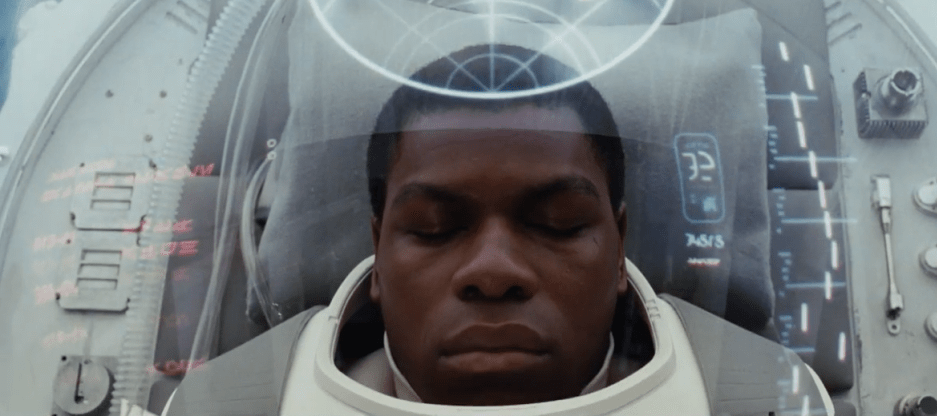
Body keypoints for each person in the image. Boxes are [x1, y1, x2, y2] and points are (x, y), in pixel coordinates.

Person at [163, 45, 834, 415]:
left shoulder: (757, 398)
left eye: (559, 225)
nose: (493, 271)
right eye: (433, 229)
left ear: (618, 248)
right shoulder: (234, 406)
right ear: (377, 256)